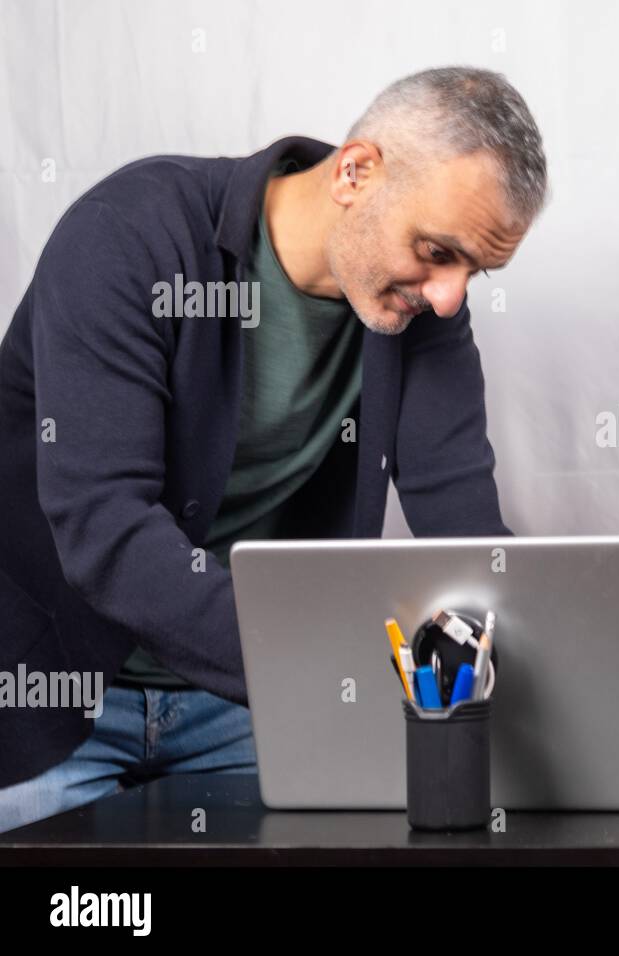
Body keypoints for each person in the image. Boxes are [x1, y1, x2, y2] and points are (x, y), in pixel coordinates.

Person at [0, 67, 547, 831]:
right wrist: (318, 663)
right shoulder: (125, 237)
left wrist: (580, 706)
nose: (451, 296)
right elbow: (104, 525)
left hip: (250, 706)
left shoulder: (422, 305)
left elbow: (464, 522)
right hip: (53, 695)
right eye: (435, 250)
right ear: (355, 172)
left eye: (473, 272)